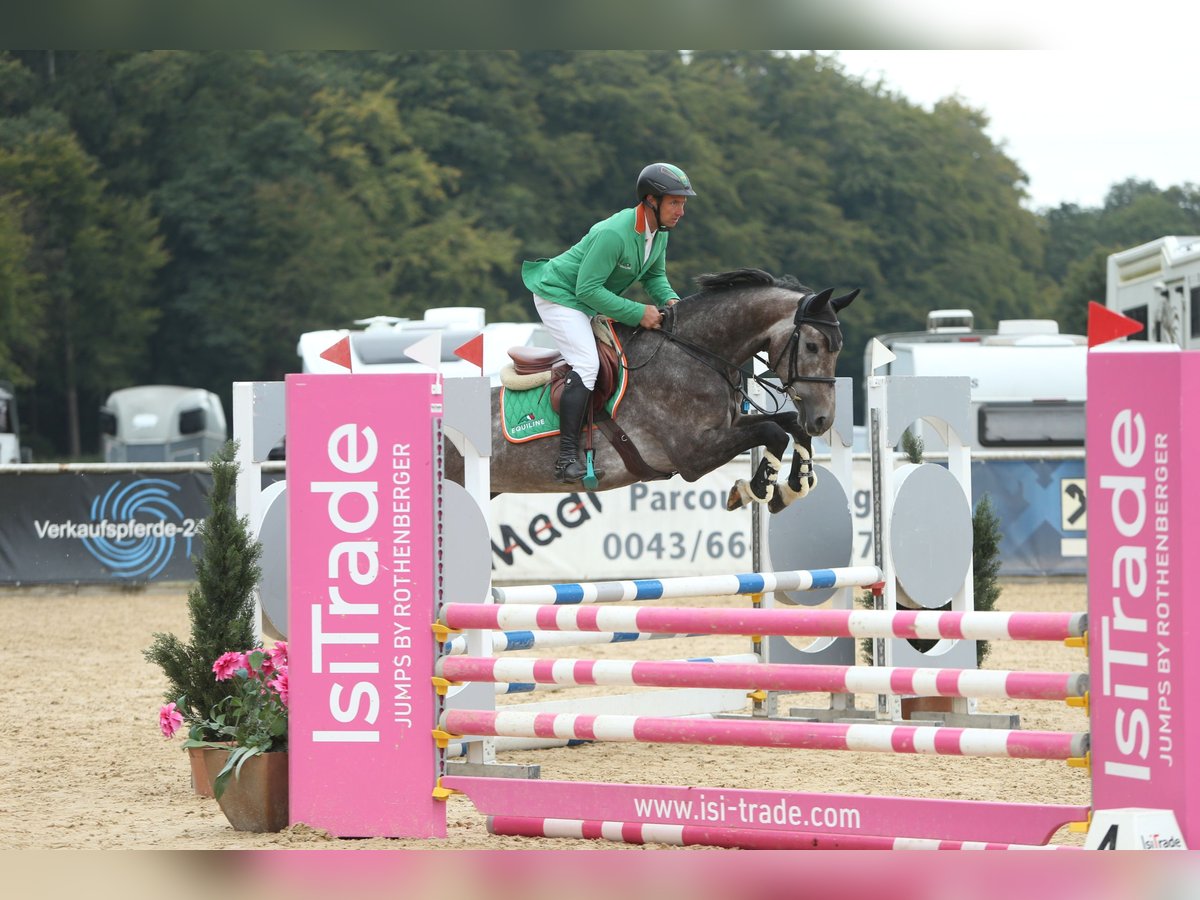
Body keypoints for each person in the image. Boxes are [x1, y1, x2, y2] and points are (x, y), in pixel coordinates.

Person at [521, 162, 696, 483]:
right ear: (651, 200)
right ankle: (565, 458)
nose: (681, 211)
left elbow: (655, 277)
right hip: (559, 296)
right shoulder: (613, 233)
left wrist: (673, 303)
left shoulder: (659, 233)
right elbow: (586, 289)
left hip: (586, 300)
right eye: (675, 202)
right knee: (588, 365)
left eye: (683, 203)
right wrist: (638, 312)